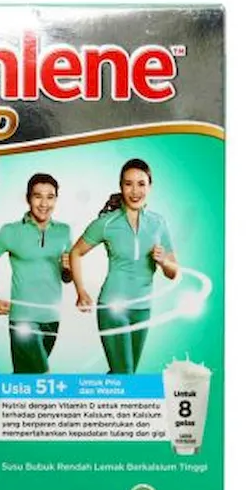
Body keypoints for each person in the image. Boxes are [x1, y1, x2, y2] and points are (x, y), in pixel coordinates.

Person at [69, 159, 178, 374]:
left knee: (125, 377)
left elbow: (173, 272)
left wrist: (163, 261)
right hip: (113, 307)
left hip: (143, 308)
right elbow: (75, 252)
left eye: (141, 184)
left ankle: (99, 396)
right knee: (125, 374)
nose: (135, 191)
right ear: (121, 186)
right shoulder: (108, 223)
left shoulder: (158, 223)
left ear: (150, 186)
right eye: (128, 184)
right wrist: (81, 291)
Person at [0, 173, 72, 373]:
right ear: (28, 198)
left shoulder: (64, 231)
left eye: (50, 197)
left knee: (26, 377)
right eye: (38, 196)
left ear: (56, 199)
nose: (44, 203)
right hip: (23, 318)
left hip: (52, 317)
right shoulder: (10, 231)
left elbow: (67, 277)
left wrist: (69, 269)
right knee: (42, 376)